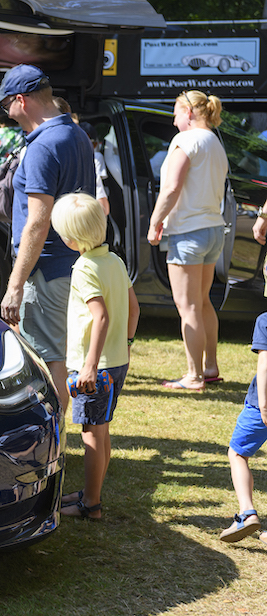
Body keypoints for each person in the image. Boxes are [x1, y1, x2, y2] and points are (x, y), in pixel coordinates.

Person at [0, 64, 96, 411]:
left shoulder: (42, 146)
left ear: (21, 100)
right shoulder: (75, 133)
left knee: (50, 362)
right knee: (66, 355)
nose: (5, 113)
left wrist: (15, 285)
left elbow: (37, 223)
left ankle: (54, 446)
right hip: (72, 263)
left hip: (46, 269)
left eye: (5, 105)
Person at [51, 193, 140, 519]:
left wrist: (89, 365)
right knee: (102, 428)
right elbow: (134, 308)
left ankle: (91, 503)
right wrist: (127, 343)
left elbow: (99, 316)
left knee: (90, 433)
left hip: (95, 367)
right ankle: (93, 492)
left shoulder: (85, 268)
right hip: (116, 361)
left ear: (72, 239)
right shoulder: (114, 260)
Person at [147, 90, 228, 391]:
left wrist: (155, 222)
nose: (173, 119)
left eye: (176, 113)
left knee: (188, 306)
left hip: (188, 232)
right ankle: (210, 367)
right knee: (203, 302)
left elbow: (171, 188)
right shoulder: (214, 142)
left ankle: (193, 376)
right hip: (212, 229)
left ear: (189, 113)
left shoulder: (185, 141)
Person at [219, 310, 267, 543]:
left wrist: (265, 404)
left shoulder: (265, 320)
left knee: (237, 453)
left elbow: (265, 364)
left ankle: (247, 513)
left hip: (260, 405)